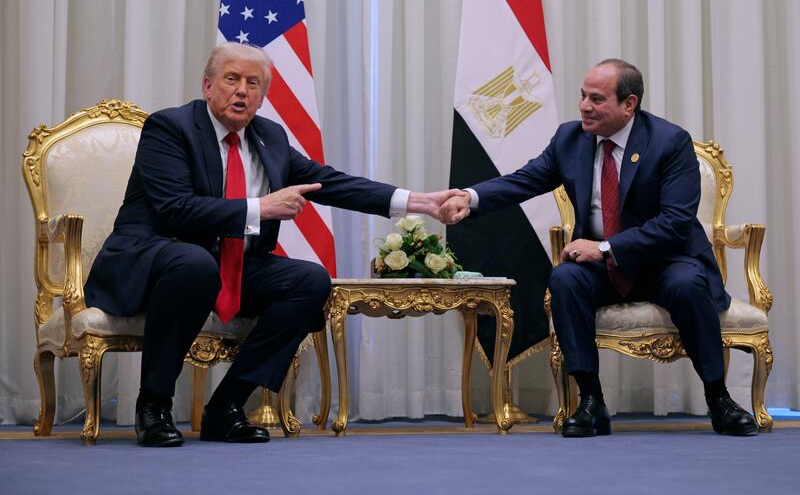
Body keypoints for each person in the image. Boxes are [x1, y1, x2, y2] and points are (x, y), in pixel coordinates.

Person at [84, 42, 458, 447]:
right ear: (208, 86)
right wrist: (260, 207)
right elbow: (176, 210)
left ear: (262, 97)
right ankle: (153, 405)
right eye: (231, 79)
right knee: (193, 264)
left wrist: (418, 202)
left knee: (308, 280)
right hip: (158, 259)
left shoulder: (269, 137)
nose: (241, 90)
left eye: (253, 83)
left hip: (222, 266)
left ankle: (226, 407)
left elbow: (329, 182)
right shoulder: (170, 128)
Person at [439, 59, 758, 437]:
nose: (584, 106)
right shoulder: (569, 139)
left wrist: (605, 247)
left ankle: (718, 398)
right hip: (603, 269)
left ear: (629, 104)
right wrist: (470, 198)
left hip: (664, 260)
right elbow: (524, 180)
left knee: (688, 285)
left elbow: (674, 224)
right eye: (582, 95)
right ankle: (591, 402)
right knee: (565, 279)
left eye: (596, 98)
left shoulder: (669, 142)